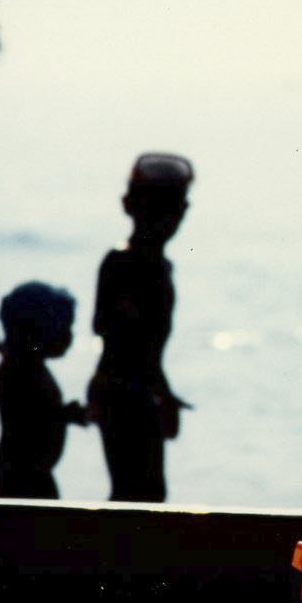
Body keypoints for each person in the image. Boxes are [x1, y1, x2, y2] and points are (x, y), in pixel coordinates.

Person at [88, 153, 192, 502]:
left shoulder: (157, 267)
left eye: (170, 207)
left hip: (133, 391)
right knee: (139, 493)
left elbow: (144, 350)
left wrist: (162, 393)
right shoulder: (123, 263)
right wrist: (156, 393)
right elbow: (117, 336)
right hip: (123, 393)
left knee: (143, 492)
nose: (164, 219)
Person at [0, 282, 86, 499]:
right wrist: (66, 415)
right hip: (24, 472)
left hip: (26, 470)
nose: (70, 337)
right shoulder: (23, 370)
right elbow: (31, 418)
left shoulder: (21, 366)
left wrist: (64, 414)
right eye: (64, 328)